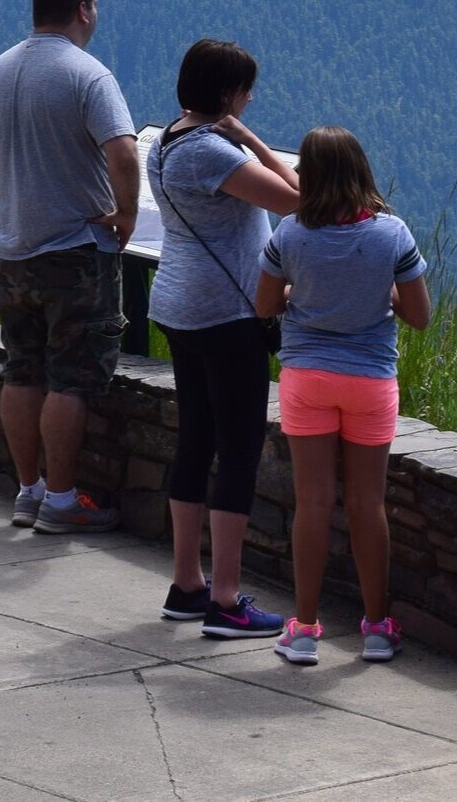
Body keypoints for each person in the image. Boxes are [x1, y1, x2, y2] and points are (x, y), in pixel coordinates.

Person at [256, 126, 432, 665]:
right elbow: (420, 316)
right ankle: (377, 629)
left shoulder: (289, 234)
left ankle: (304, 630)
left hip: (308, 377)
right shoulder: (393, 234)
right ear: (361, 169)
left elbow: (266, 306)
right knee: (366, 504)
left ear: (309, 173)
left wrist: (298, 292)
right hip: (371, 380)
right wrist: (383, 298)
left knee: (312, 503)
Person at [0, 0, 138, 534]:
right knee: (69, 376)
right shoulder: (88, 75)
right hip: (74, 249)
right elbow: (122, 153)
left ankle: (29, 491)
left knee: (21, 369)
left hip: (13, 244)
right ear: (84, 9)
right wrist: (127, 214)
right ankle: (63, 503)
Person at [149, 38, 300, 638]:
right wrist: (253, 139)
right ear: (227, 95)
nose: (251, 97)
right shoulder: (213, 151)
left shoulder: (167, 139)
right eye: (245, 90)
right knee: (237, 452)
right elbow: (297, 201)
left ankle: (188, 585)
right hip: (225, 312)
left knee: (194, 442)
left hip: (178, 304)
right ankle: (228, 601)